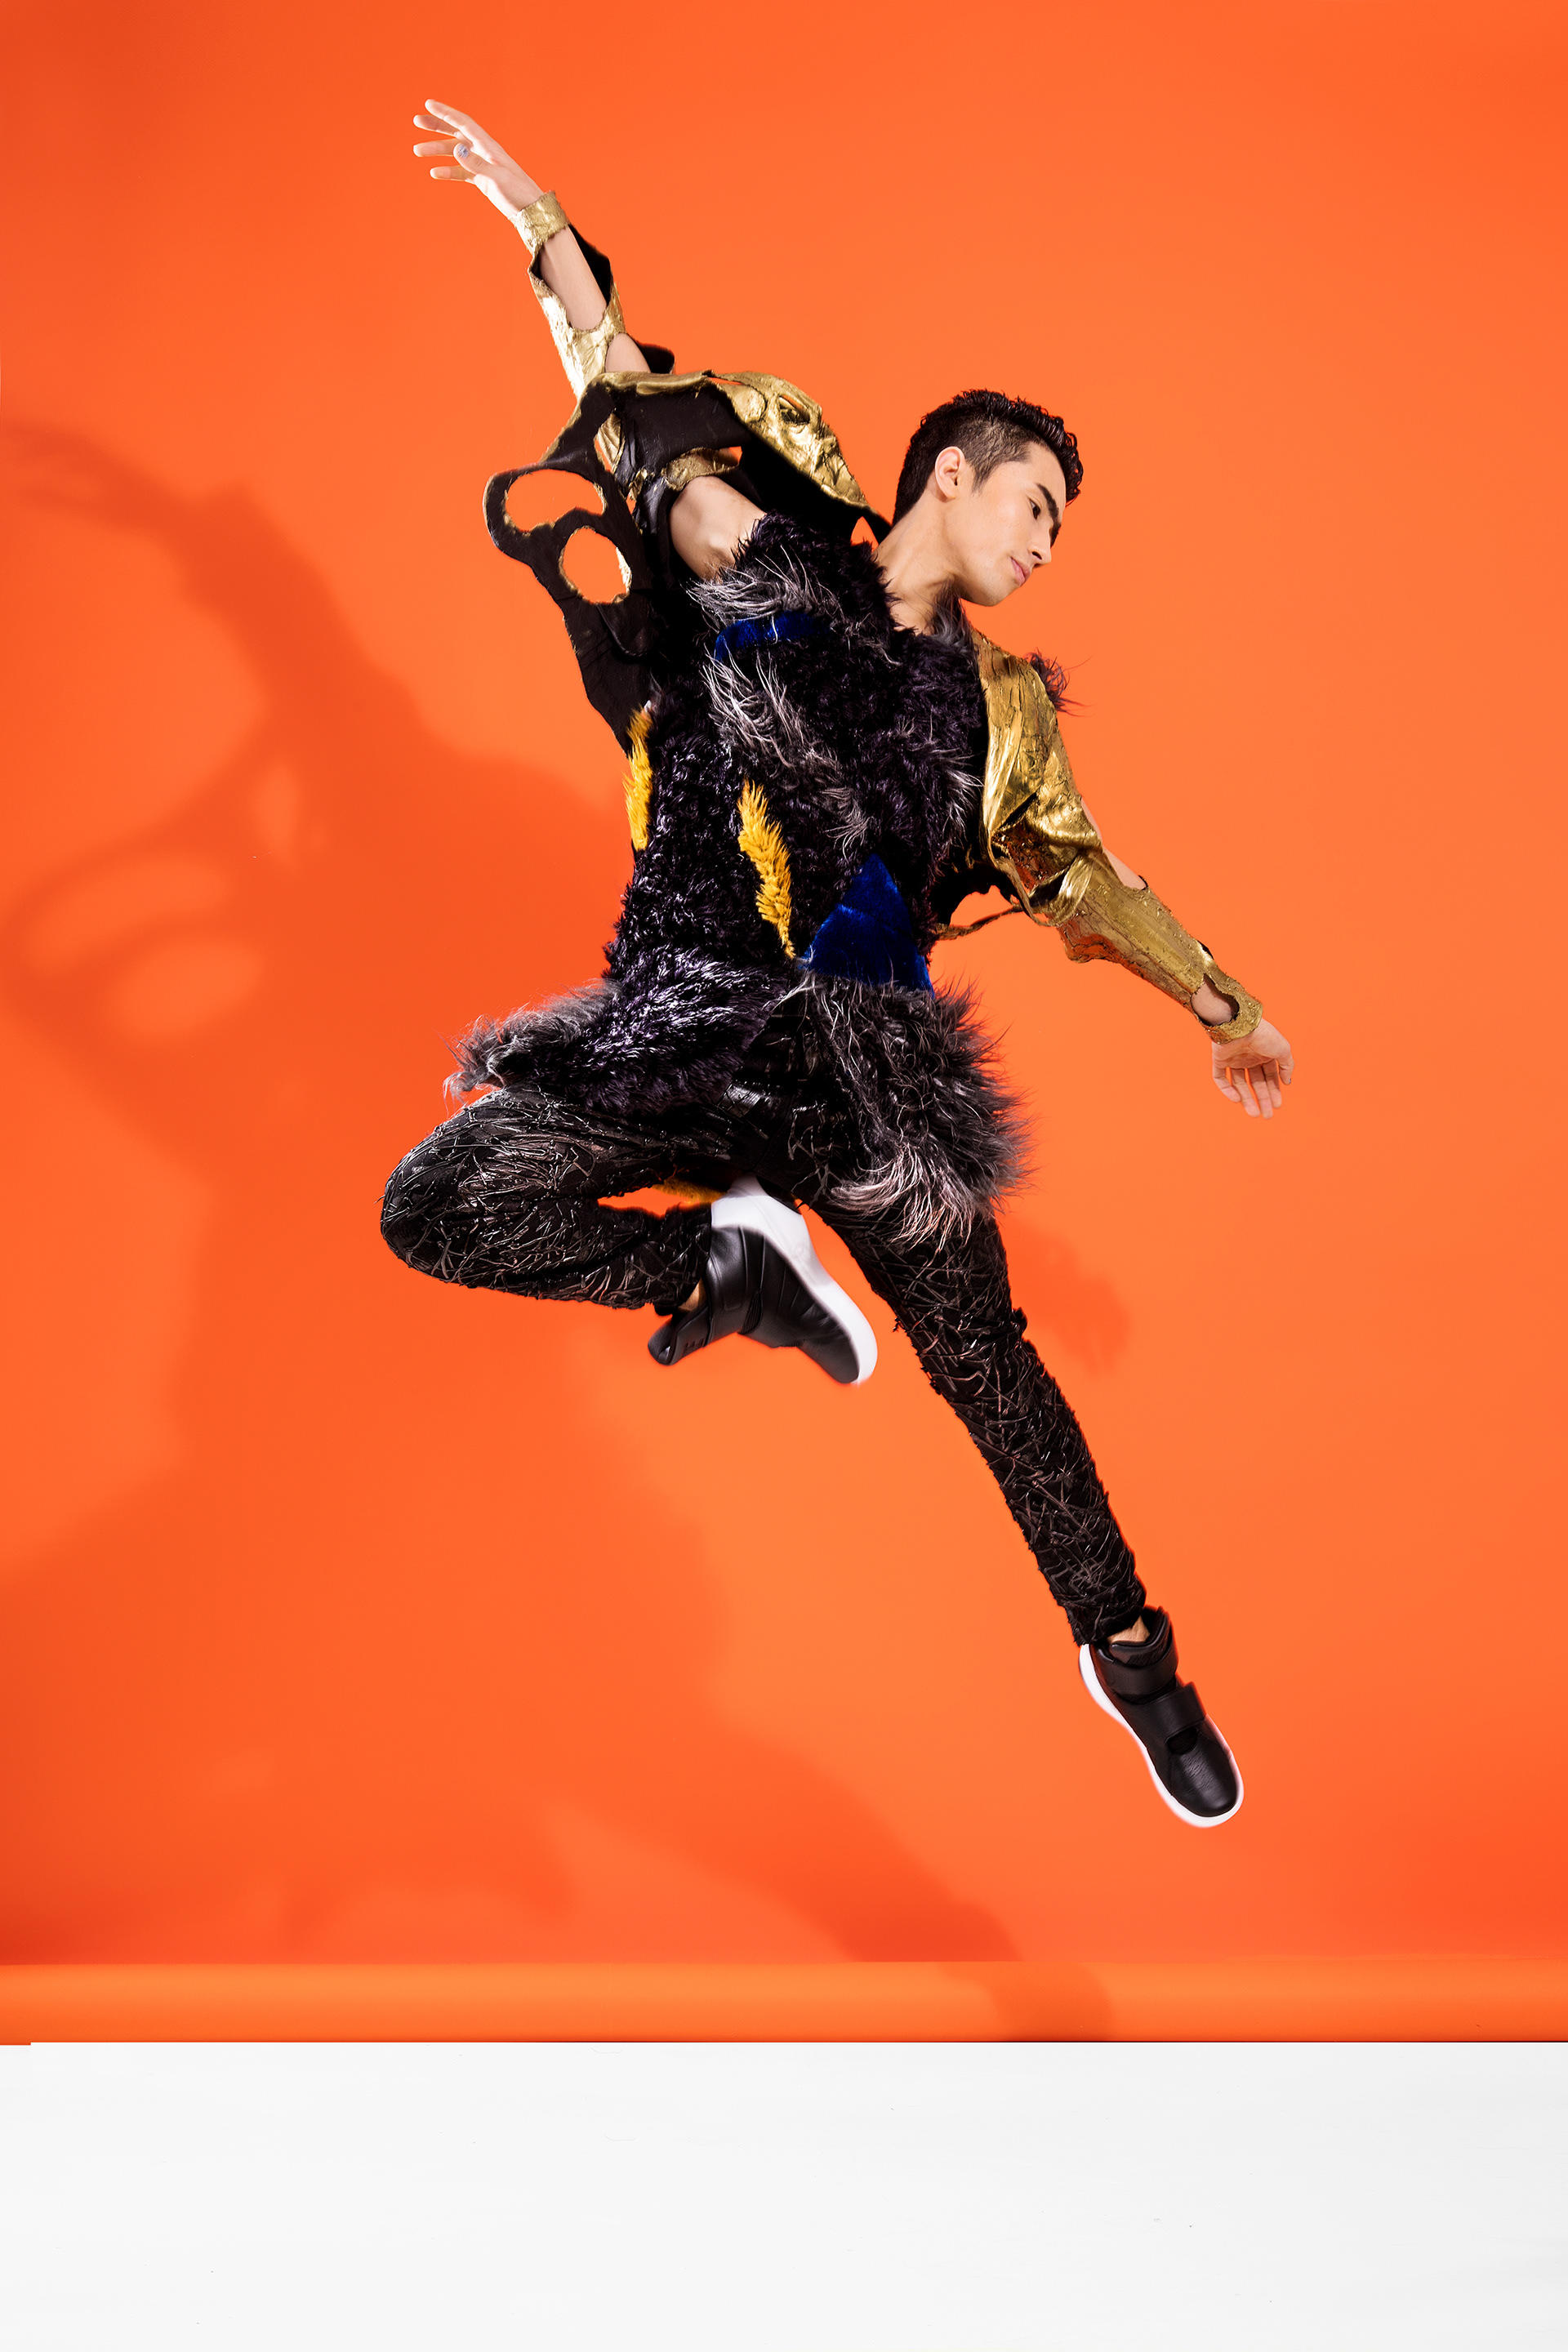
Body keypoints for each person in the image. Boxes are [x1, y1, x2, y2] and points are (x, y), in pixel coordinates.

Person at [381, 100, 1297, 1829]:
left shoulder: (1001, 712)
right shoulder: (770, 557)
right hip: (687, 1025)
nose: (1044, 542)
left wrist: (1221, 1006)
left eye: (1059, 528)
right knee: (439, 1202)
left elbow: (1087, 876)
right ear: (952, 473)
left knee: (994, 1373)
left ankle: (1135, 1663)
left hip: (865, 1080)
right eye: (1034, 502)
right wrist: (548, 234)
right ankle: (727, 1272)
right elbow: (633, 414)